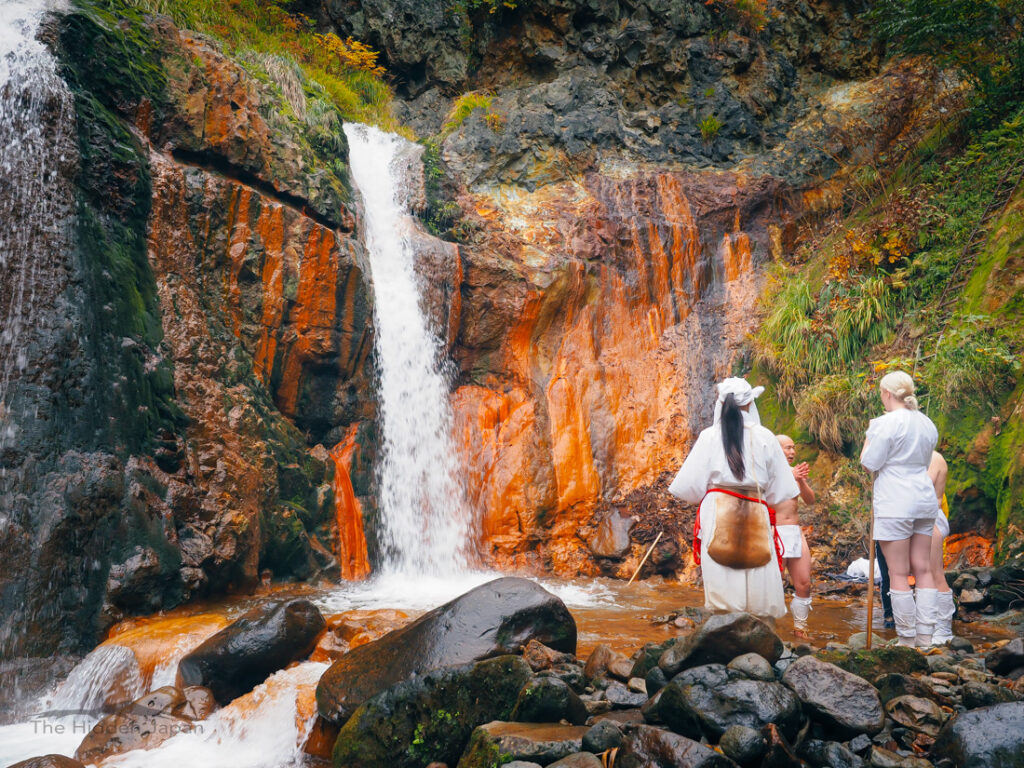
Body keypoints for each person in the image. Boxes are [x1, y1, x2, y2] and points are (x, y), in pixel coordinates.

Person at [669, 378, 800, 618]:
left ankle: (723, 623)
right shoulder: (765, 437)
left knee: (722, 568)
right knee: (758, 565)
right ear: (750, 403)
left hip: (718, 506)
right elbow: (781, 491)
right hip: (756, 506)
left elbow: (688, 488)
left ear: (720, 403)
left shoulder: (709, 437)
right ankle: (759, 624)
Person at [860, 371, 940, 647]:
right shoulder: (927, 423)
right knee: (924, 569)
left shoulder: (884, 423)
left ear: (886, 394)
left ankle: (906, 639)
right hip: (924, 497)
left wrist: (870, 436)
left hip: (896, 499)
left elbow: (870, 462)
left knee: (897, 572)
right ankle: (926, 638)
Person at [775, 435, 815, 636]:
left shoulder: (795, 472)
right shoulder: (768, 472)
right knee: (774, 583)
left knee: (804, 583)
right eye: (787, 448)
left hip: (795, 531)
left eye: (793, 448)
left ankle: (801, 627)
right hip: (775, 532)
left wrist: (801, 481)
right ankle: (768, 629)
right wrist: (790, 477)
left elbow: (810, 500)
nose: (792, 452)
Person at [928, 451, 956, 644]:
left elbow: (928, 492)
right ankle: (926, 626)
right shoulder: (911, 453)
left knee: (934, 573)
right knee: (920, 575)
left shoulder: (935, 458)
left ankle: (943, 629)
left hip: (931, 518)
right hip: (914, 519)